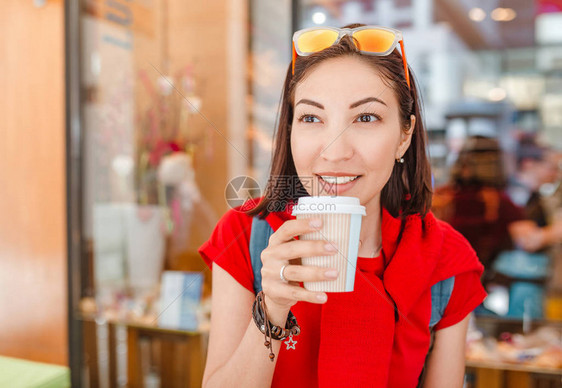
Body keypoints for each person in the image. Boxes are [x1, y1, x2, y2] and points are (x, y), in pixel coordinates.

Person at [198, 24, 486, 388]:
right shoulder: (246, 234)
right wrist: (271, 308)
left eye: (366, 118)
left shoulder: (445, 261)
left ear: (404, 136)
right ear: (290, 130)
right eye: (311, 118)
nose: (334, 152)